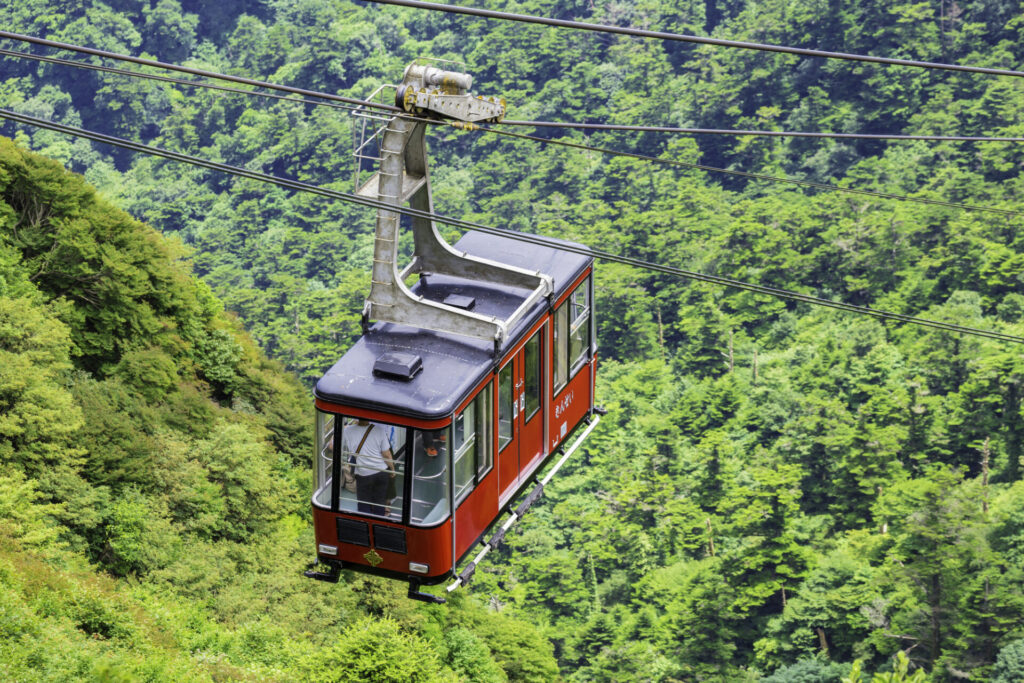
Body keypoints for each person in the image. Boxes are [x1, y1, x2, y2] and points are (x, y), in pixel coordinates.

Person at [343, 419, 395, 516]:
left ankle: (365, 525)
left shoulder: (348, 431)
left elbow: (332, 445)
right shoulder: (379, 430)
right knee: (379, 502)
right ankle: (378, 523)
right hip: (381, 472)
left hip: (363, 474)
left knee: (363, 502)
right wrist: (392, 469)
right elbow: (386, 454)